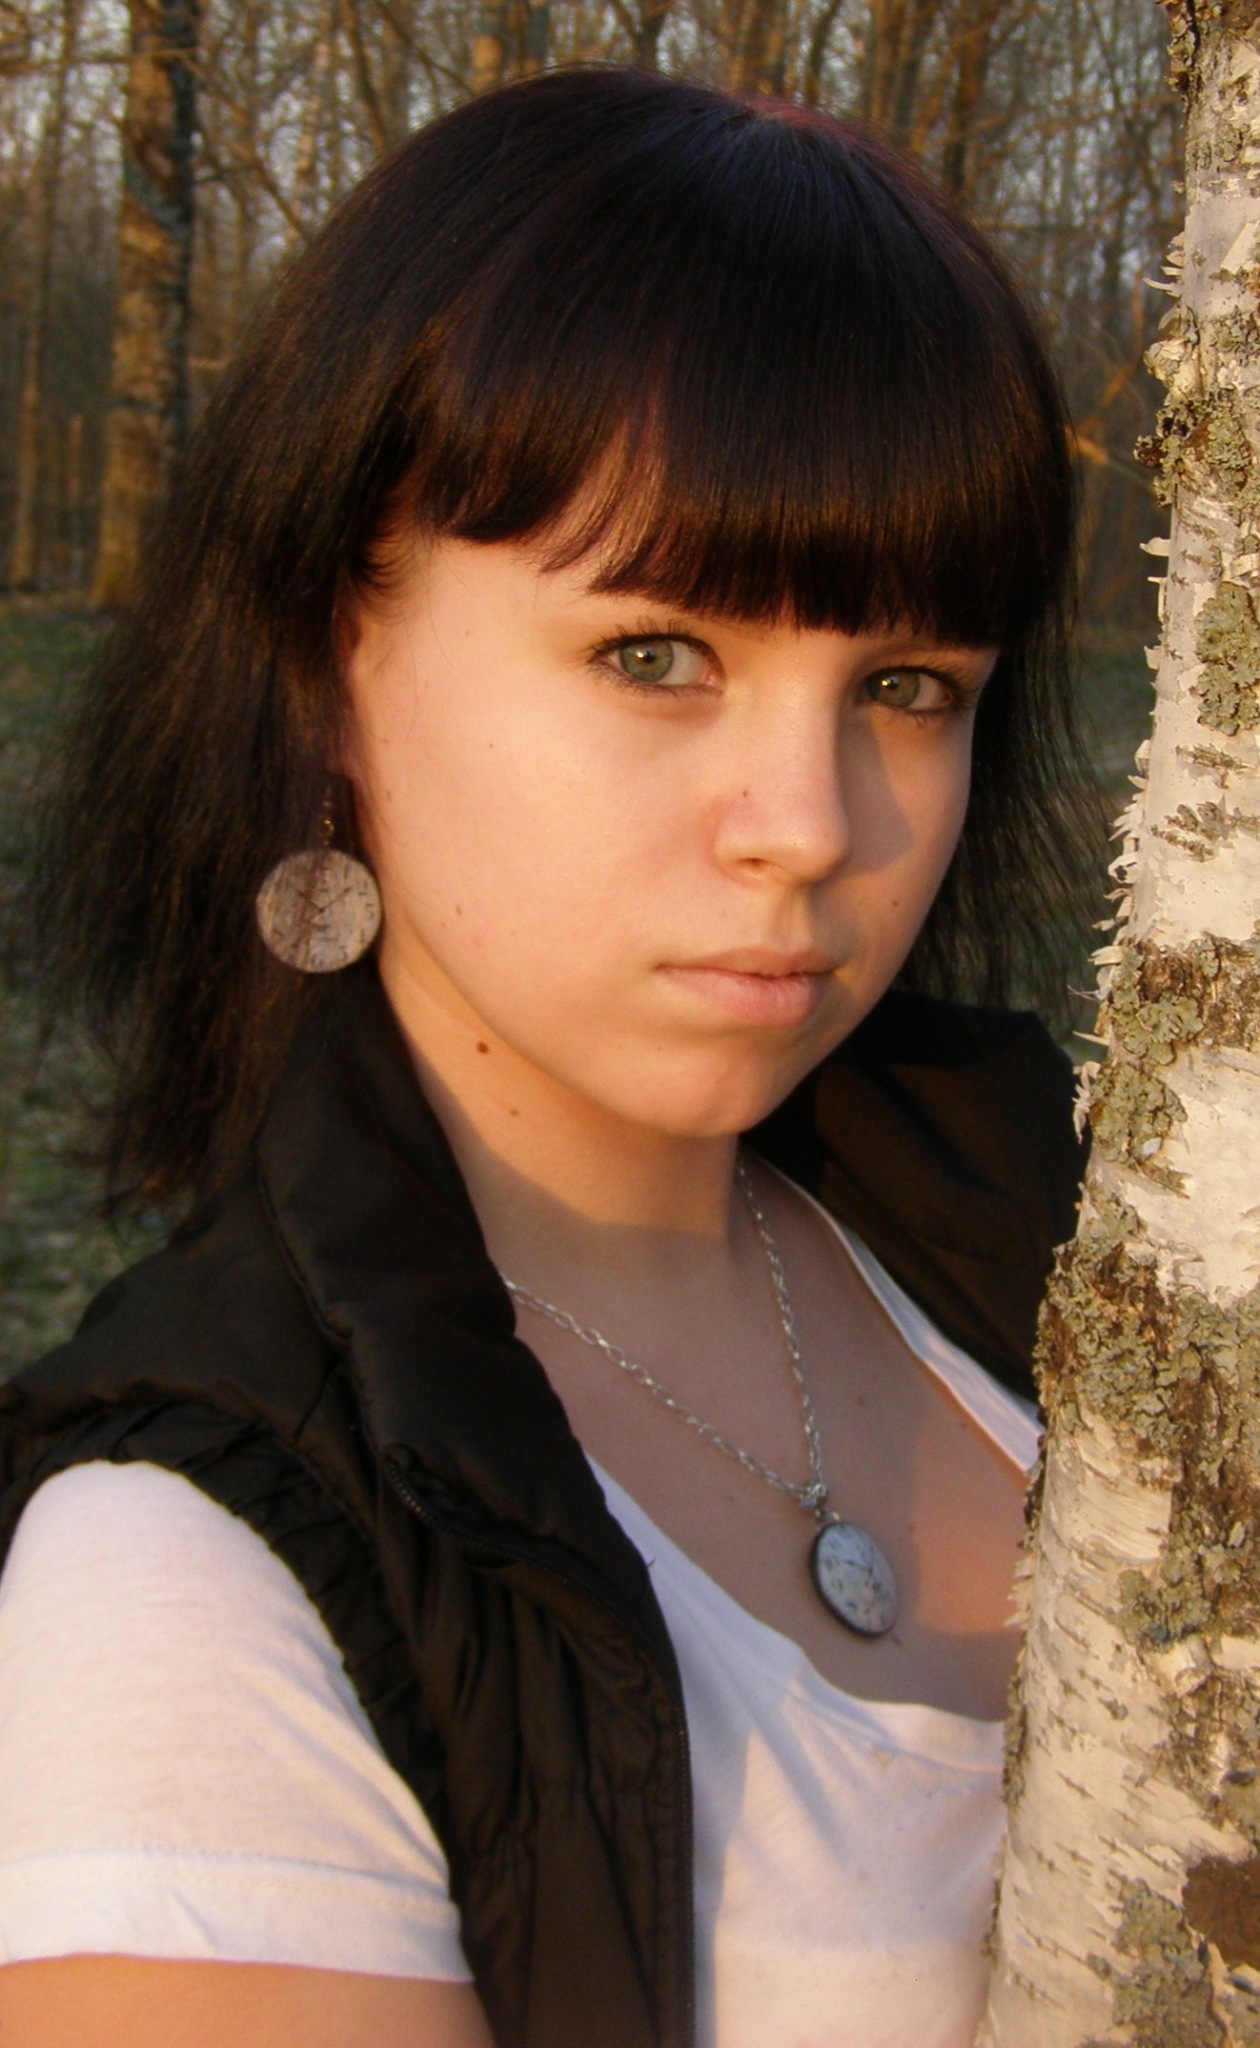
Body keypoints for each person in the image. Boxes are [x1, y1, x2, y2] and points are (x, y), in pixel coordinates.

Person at [0, 66, 1087, 2048]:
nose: (809, 823)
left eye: (906, 685)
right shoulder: (192, 1588)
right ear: (336, 659)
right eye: (656, 655)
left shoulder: (1075, 1260)